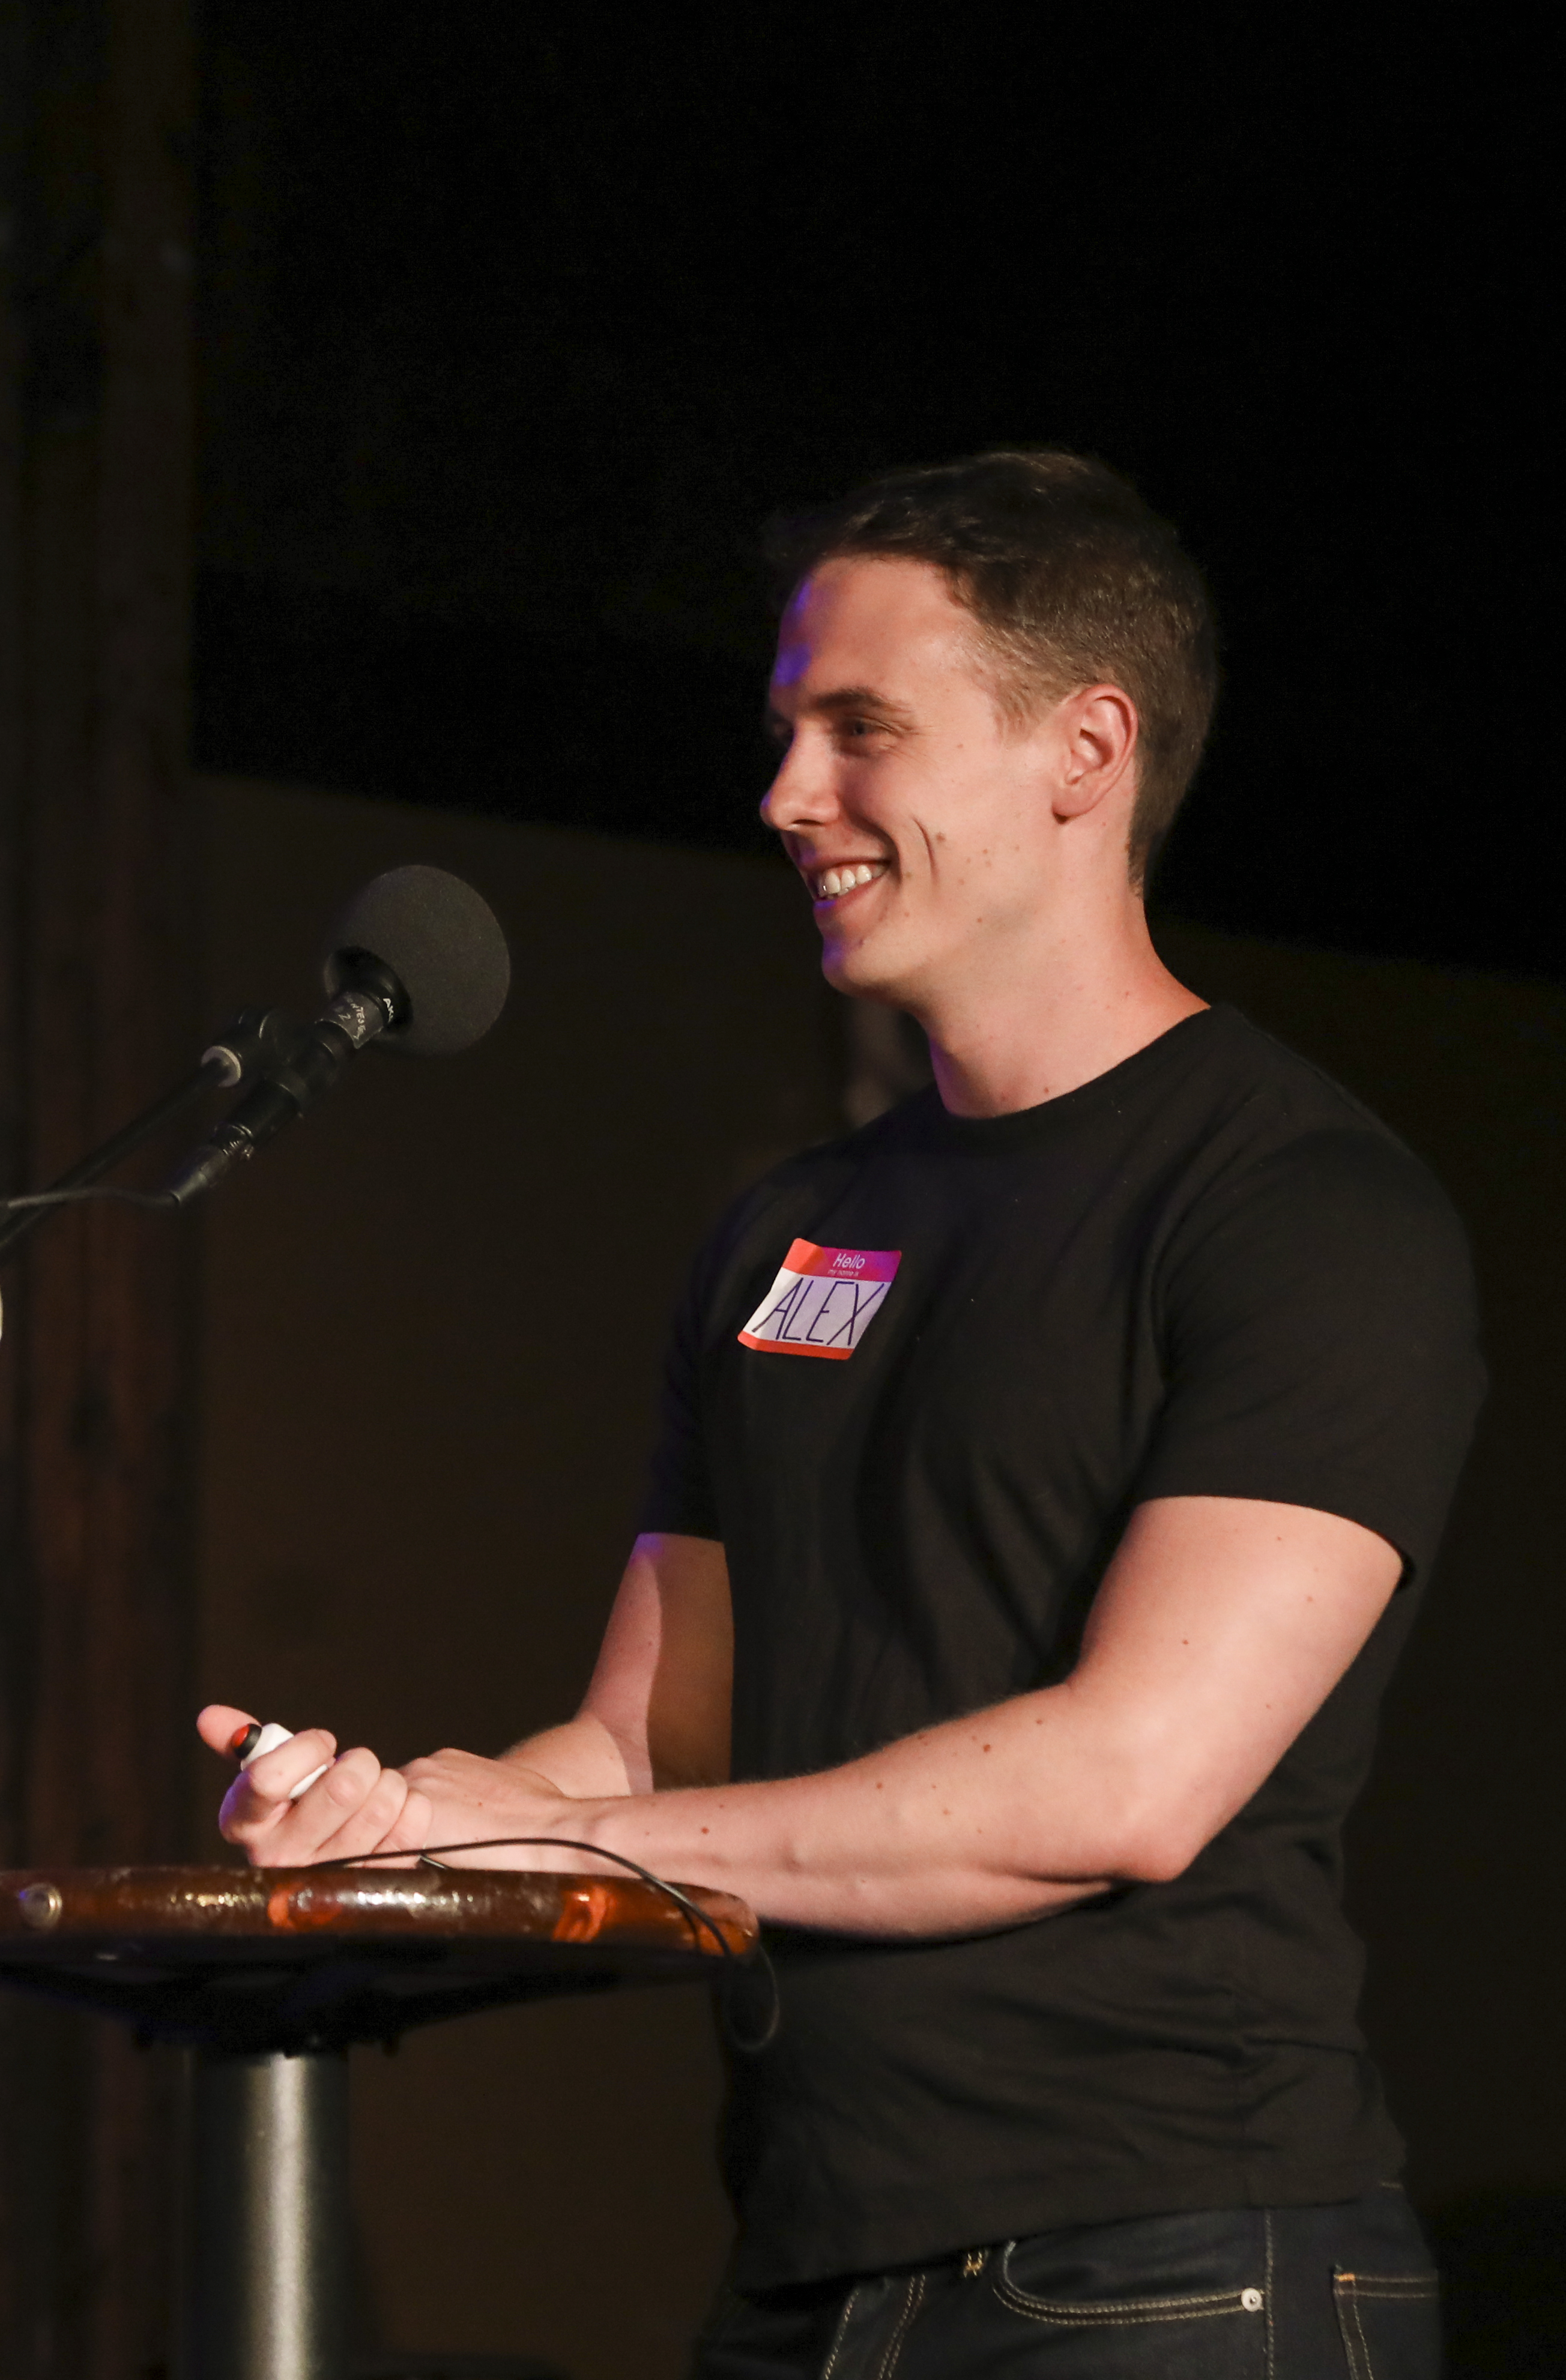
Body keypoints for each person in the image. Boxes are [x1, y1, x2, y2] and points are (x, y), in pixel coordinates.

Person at [202, 452, 1477, 2378]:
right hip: (806, 2269)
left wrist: (567, 1851)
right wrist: (397, 1826)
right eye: (786, 730)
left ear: (1084, 749)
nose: (786, 797)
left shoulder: (1298, 1207)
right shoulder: (789, 1230)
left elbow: (1123, 1789)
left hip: (1167, 2270)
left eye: (859, 729)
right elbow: (641, 1745)